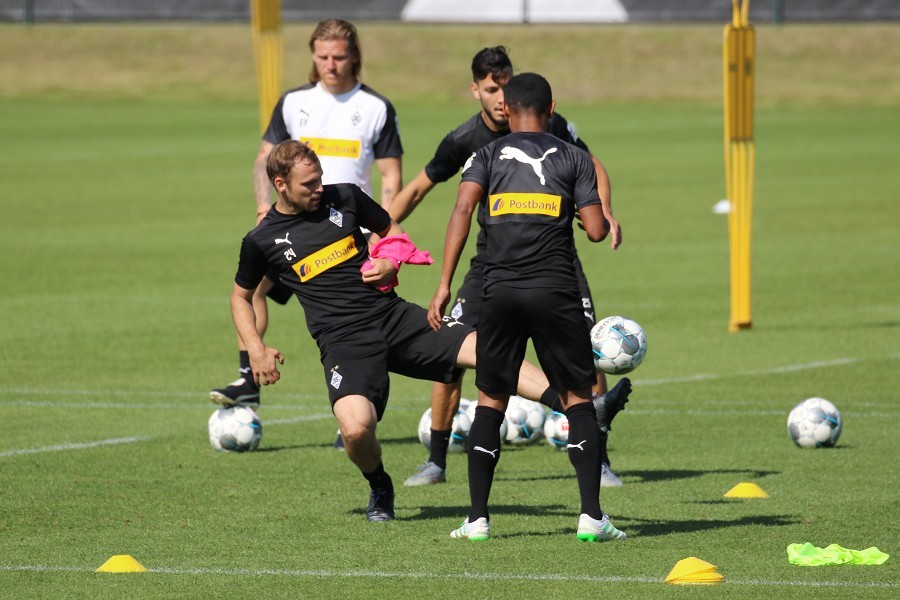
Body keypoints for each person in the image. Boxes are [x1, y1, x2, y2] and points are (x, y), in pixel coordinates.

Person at [231, 140, 563, 522]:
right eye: (309, 184)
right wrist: (255, 347)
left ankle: (575, 406)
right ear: (280, 184)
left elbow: (392, 231)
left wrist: (390, 260)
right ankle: (379, 485)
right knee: (355, 430)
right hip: (344, 344)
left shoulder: (346, 198)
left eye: (320, 178)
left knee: (488, 349)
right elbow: (240, 297)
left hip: (393, 317)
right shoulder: (261, 240)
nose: (319, 187)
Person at [392, 47, 630, 488]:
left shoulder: (551, 126)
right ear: (476, 91)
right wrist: (379, 229)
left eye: (505, 87)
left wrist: (606, 209)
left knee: (587, 352)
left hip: (555, 261)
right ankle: (436, 461)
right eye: (491, 90)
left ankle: (599, 460)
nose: (501, 98)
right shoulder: (465, 140)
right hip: (492, 264)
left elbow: (593, 164)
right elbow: (419, 189)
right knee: (451, 348)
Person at [211, 18, 403, 419]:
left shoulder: (375, 108)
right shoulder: (293, 102)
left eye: (339, 57)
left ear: (355, 57)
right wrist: (263, 208)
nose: (330, 65)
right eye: (322, 56)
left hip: (348, 234)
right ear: (313, 56)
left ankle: (355, 405)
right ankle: (249, 380)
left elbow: (391, 176)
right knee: (251, 290)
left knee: (355, 321)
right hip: (292, 232)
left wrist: (379, 236)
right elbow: (264, 159)